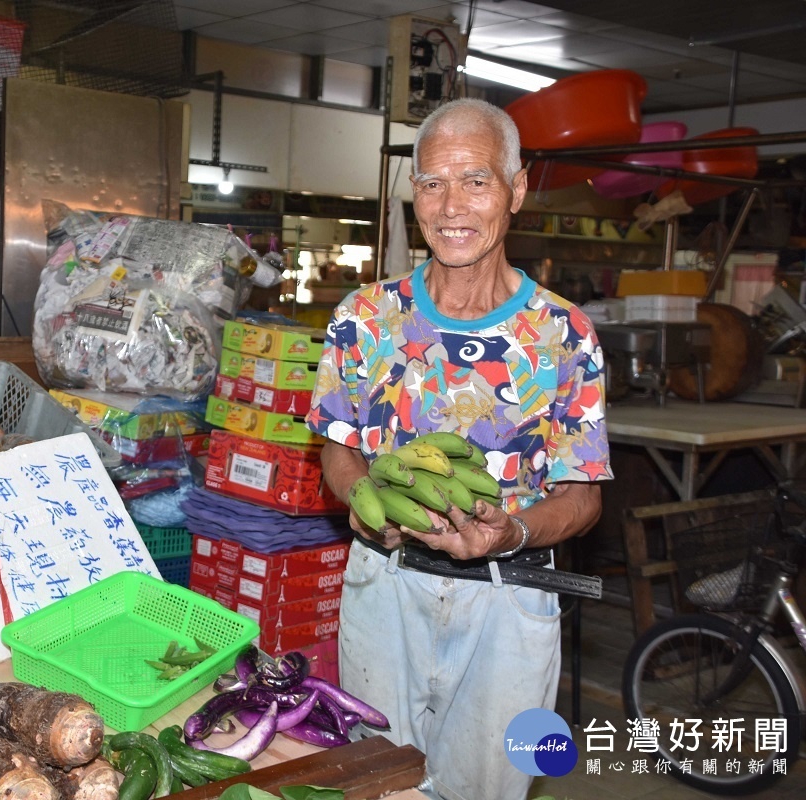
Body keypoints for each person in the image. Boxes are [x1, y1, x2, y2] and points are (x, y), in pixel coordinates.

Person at [305, 98, 613, 800]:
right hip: (383, 585)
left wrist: (515, 530)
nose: (452, 205)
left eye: (476, 180)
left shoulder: (564, 336)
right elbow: (338, 448)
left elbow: (583, 495)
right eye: (433, 183)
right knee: (375, 780)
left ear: (518, 188)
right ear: (415, 193)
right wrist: (359, 497)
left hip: (512, 603)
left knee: (489, 789)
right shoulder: (364, 318)